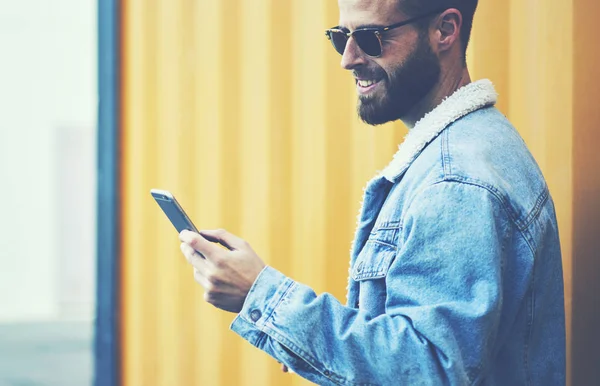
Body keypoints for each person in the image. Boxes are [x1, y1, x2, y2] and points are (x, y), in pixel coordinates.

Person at [178, 0, 566, 384]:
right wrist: (312, 340)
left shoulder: (456, 182)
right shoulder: (472, 149)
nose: (348, 58)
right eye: (340, 36)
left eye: (370, 37)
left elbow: (428, 369)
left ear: (445, 31)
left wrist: (259, 295)